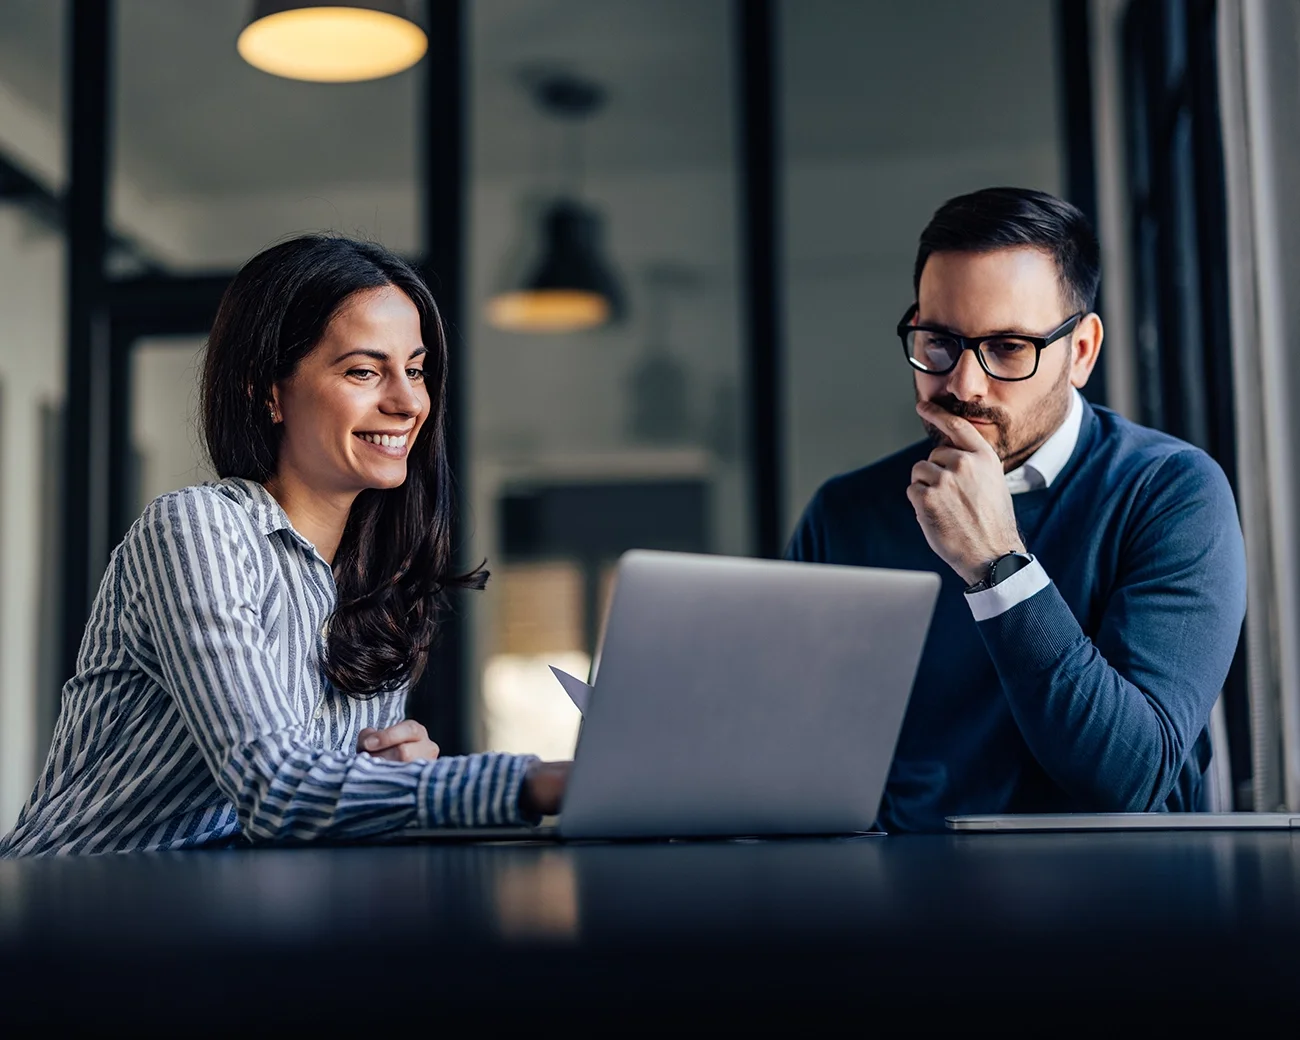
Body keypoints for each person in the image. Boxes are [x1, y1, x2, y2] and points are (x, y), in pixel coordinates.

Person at [1, 235, 569, 856]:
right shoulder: (198, 531)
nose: (408, 402)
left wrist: (395, 781)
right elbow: (277, 790)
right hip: (63, 922)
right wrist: (533, 781)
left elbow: (311, 820)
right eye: (362, 370)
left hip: (212, 926)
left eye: (414, 369)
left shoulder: (373, 582)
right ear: (265, 391)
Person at [786, 186, 1247, 833]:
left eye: (1007, 349)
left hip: (1122, 914)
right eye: (938, 341)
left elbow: (1132, 778)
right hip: (900, 909)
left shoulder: (1170, 492)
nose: (964, 384)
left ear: (1081, 351)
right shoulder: (845, 514)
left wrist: (996, 563)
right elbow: (790, 760)